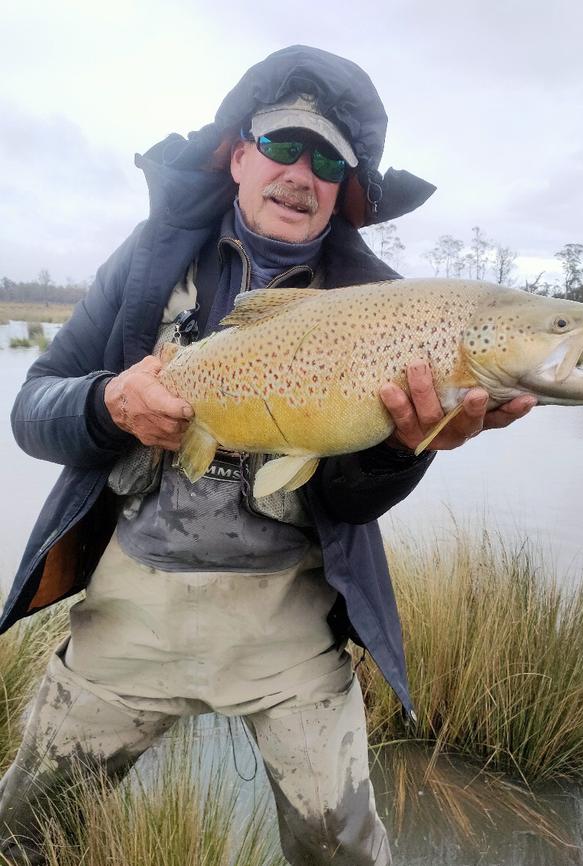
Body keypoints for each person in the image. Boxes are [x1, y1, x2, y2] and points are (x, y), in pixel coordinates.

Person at [0, 45, 535, 865]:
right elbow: (32, 410)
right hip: (130, 618)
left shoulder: (389, 309)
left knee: (347, 854)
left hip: (289, 631)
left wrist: (408, 448)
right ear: (241, 156)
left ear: (345, 191)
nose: (302, 171)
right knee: (22, 833)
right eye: (284, 146)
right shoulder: (146, 267)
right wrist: (109, 403)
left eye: (328, 159)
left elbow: (351, 504)